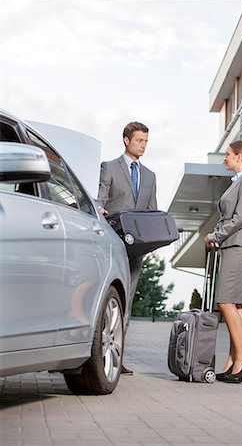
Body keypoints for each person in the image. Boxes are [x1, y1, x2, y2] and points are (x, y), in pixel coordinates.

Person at [97, 121, 157, 374]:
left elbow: (152, 211)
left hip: (136, 249)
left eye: (146, 141)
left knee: (127, 300)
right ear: (126, 140)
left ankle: (116, 357)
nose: (143, 145)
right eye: (139, 141)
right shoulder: (109, 167)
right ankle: (96, 356)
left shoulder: (150, 176)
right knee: (106, 296)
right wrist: (99, 209)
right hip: (112, 243)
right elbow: (100, 198)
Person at [205, 140, 242, 384]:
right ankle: (232, 362)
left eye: (228, 155)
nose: (225, 158)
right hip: (234, 247)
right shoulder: (241, 181)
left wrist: (214, 236)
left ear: (239, 157)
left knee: (225, 301)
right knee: (236, 306)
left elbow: (239, 218)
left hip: (239, 247)